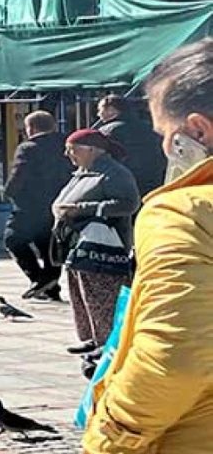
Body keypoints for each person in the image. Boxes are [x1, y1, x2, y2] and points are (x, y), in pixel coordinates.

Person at [84, 39, 213, 454]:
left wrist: (109, 437)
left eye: (164, 133)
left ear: (196, 131)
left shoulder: (184, 213)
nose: (162, 147)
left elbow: (173, 362)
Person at [52, 129, 140, 357]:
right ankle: (90, 337)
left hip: (104, 245)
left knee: (103, 296)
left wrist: (82, 209)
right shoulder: (83, 171)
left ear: (91, 150)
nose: (67, 155)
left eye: (72, 150)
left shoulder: (114, 173)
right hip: (78, 243)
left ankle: (107, 341)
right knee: (81, 294)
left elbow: (128, 203)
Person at [2, 112, 71, 301]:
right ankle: (50, 288)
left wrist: (9, 193)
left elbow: (19, 175)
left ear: (30, 128)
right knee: (48, 244)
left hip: (31, 205)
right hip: (61, 202)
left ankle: (39, 278)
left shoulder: (29, 148)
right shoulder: (66, 143)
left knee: (13, 239)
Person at [96, 94, 168, 198]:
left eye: (100, 110)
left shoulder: (106, 132)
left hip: (123, 181)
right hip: (153, 177)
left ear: (111, 110)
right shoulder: (149, 127)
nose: (98, 114)